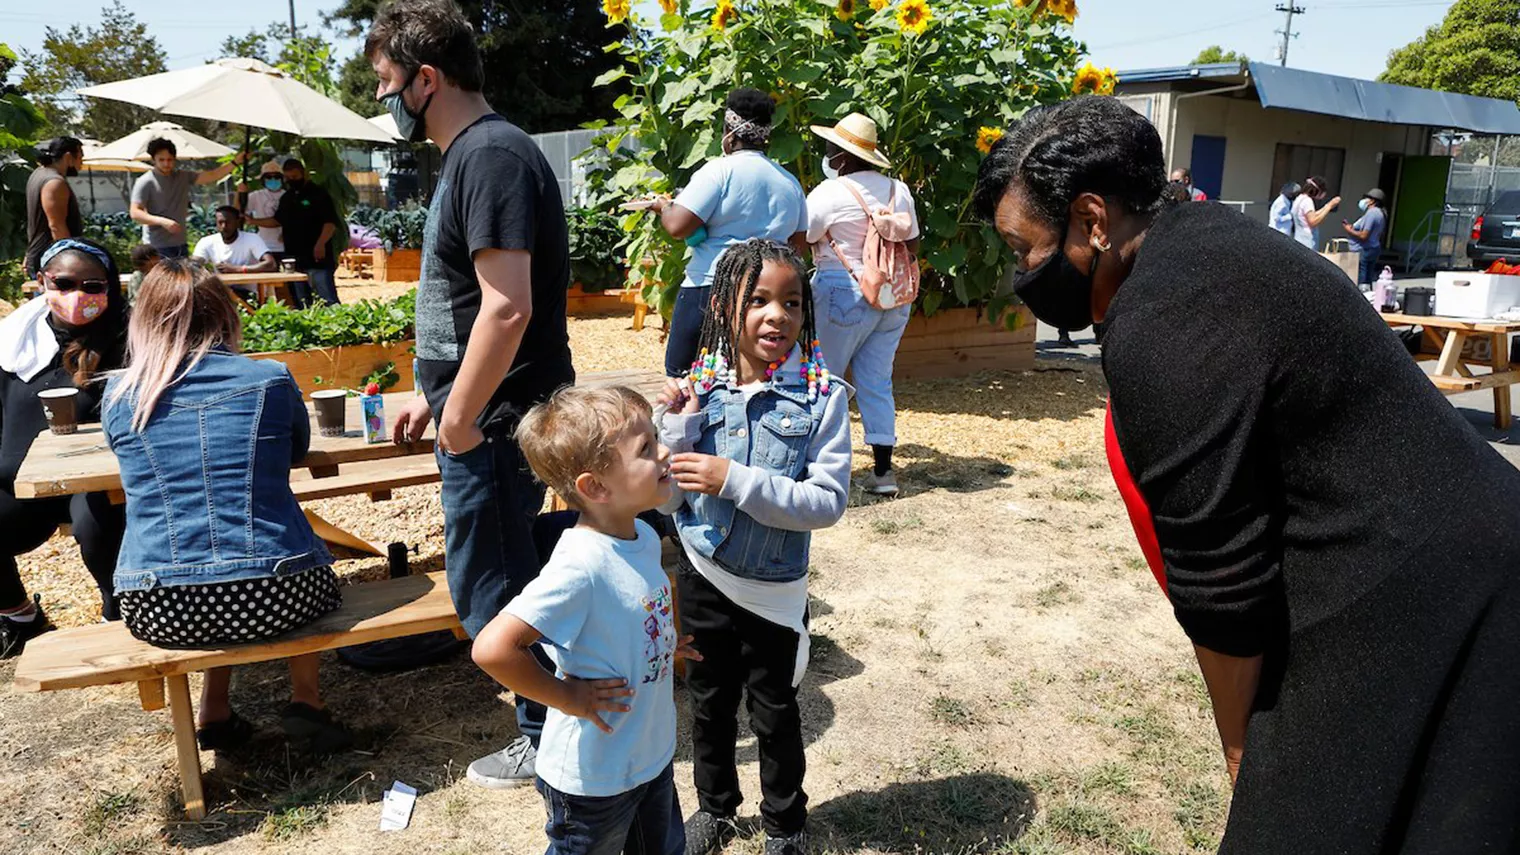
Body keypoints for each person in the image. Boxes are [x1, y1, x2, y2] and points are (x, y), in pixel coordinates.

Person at [973, 95, 1520, 853]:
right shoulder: (1202, 242)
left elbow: (1224, 589)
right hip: (1458, 542)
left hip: (1427, 579)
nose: (1023, 270)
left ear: (1093, 220)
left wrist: (1245, 751)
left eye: (1025, 247)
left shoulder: (1164, 321)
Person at [367, 0, 575, 789]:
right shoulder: (478, 153)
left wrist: (458, 415)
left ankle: (548, 730)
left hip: (494, 420)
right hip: (480, 408)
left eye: (388, 83)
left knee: (493, 580)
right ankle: (553, 715)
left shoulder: (488, 156)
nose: (386, 102)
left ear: (426, 78)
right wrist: (440, 392)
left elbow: (508, 305)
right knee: (506, 567)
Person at [103, 258, 352, 753]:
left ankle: (213, 707)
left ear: (144, 319)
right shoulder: (270, 380)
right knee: (296, 555)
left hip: (159, 606)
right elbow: (296, 449)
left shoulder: (120, 393)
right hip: (280, 594)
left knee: (203, 565)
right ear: (225, 314)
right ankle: (307, 700)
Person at [656, 240, 851, 855]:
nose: (778, 316)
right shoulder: (697, 392)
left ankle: (786, 824)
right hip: (703, 574)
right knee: (709, 703)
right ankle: (715, 809)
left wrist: (732, 480)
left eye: (792, 303)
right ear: (721, 306)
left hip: (772, 588)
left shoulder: (823, 398)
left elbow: (827, 502)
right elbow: (665, 501)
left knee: (775, 709)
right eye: (759, 300)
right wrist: (675, 429)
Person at [473, 385, 696, 855]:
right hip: (593, 779)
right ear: (596, 487)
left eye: (656, 438)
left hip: (648, 756)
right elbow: (493, 648)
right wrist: (566, 696)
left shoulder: (644, 537)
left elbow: (628, 609)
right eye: (647, 448)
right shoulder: (580, 566)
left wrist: (657, 646)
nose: (665, 452)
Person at [0, 239, 128, 655]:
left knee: (98, 526)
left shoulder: (128, 338)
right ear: (42, 282)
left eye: (93, 286)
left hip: (95, 478)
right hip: (23, 481)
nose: (78, 296)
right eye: (65, 283)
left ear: (110, 287)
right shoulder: (14, 341)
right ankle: (20, 616)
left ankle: (121, 615)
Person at [647, 88, 808, 378]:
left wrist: (664, 207)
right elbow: (797, 247)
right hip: (765, 294)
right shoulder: (789, 182)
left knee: (685, 376)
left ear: (729, 133)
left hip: (709, 287)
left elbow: (677, 226)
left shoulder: (718, 171)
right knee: (750, 377)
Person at [805, 113, 920, 497]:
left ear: (841, 156)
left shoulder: (828, 192)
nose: (826, 154)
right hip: (891, 294)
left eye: (829, 149)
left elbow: (805, 235)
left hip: (843, 288)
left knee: (826, 380)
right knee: (877, 381)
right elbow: (913, 245)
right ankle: (883, 473)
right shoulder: (898, 190)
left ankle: (822, 466)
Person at [129, 138, 244, 259]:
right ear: (153, 160)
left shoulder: (183, 176)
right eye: (161, 160)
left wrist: (235, 162)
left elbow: (212, 175)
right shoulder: (145, 181)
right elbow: (135, 213)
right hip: (156, 246)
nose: (166, 164)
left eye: (170, 160)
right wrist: (163, 221)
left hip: (180, 244)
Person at [272, 158, 342, 306]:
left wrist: (320, 244)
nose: (292, 180)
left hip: (317, 258)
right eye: (288, 177)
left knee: (327, 297)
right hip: (295, 259)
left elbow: (330, 223)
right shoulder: (287, 197)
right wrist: (251, 220)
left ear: (304, 174)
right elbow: (277, 221)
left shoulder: (318, 194)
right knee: (302, 301)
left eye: (295, 177)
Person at [24, 137, 84, 280]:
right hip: (52, 261)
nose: (81, 164)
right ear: (69, 157)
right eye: (81, 158)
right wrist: (69, 261)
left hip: (42, 256)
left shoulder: (38, 174)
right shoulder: (54, 182)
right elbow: (56, 226)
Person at [192, 206, 277, 302]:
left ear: (237, 222)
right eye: (220, 222)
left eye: (228, 222)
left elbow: (271, 264)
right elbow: (194, 265)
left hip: (250, 295)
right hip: (221, 292)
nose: (224, 226)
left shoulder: (252, 239)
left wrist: (239, 269)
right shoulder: (207, 241)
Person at [241, 160, 288, 262]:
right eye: (269, 177)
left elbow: (279, 221)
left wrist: (253, 221)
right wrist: (239, 193)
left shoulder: (288, 196)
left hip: (285, 246)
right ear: (263, 180)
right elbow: (240, 212)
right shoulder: (256, 196)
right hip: (263, 245)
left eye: (276, 177)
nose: (273, 180)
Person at [1343, 187, 1387, 285]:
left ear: (1372, 201)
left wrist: (1349, 231)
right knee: (1368, 278)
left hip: (1364, 250)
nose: (1364, 201)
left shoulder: (1372, 213)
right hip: (1373, 248)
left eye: (1367, 198)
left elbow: (1364, 235)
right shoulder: (1380, 213)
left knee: (1362, 281)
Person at [1290, 175, 1341, 251]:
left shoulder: (1299, 198)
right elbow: (1312, 222)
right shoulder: (1308, 201)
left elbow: (1311, 215)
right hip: (1307, 242)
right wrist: (1329, 207)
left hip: (1299, 237)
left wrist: (1327, 206)